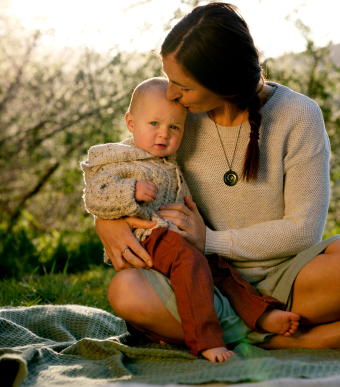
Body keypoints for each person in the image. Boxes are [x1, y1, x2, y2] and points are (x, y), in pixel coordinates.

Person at [96, 2, 340, 350]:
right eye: (168, 80)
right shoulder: (178, 117)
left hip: (290, 277)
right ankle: (285, 339)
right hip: (201, 281)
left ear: (222, 82)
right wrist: (105, 221)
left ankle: (239, 329)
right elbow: (115, 167)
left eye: (182, 85)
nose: (170, 94)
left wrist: (210, 240)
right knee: (126, 290)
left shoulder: (298, 115)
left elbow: (303, 230)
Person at [81, 77, 300, 362]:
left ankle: (260, 315)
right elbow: (95, 195)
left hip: (177, 237)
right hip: (148, 237)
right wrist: (129, 191)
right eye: (154, 124)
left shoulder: (168, 161)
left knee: (219, 268)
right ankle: (207, 340)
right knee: (190, 262)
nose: (164, 134)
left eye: (174, 127)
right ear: (131, 122)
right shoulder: (117, 159)